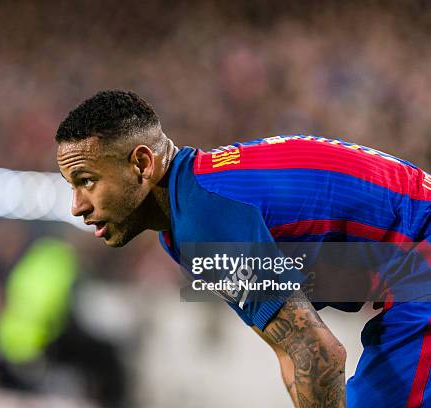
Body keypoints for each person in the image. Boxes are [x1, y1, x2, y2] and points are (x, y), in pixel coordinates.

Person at [55, 90, 431, 408]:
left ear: (141, 163)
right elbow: (291, 352)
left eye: (86, 181)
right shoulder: (190, 212)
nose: (77, 205)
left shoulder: (205, 221)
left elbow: (319, 357)